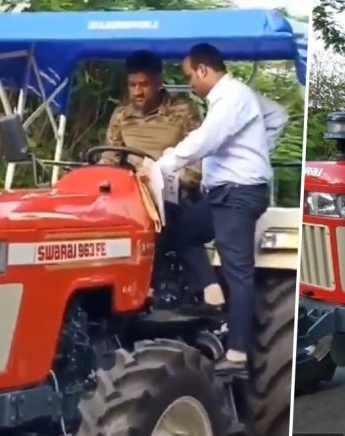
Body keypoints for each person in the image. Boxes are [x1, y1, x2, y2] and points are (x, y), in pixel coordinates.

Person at [155, 43, 273, 371]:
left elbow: (206, 139)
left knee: (238, 271)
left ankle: (238, 353)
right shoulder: (233, 97)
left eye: (191, 75)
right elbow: (275, 116)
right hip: (224, 193)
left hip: (237, 194)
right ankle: (210, 292)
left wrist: (162, 165)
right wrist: (259, 150)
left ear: (204, 70)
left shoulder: (231, 97)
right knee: (183, 232)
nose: (190, 83)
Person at [102, 49, 226, 308]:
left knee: (165, 212)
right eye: (132, 85)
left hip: (175, 190)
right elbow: (110, 159)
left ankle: (153, 286)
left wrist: (178, 179)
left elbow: (200, 160)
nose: (137, 92)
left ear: (159, 82)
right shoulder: (121, 116)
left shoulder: (183, 111)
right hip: (131, 192)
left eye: (144, 85)